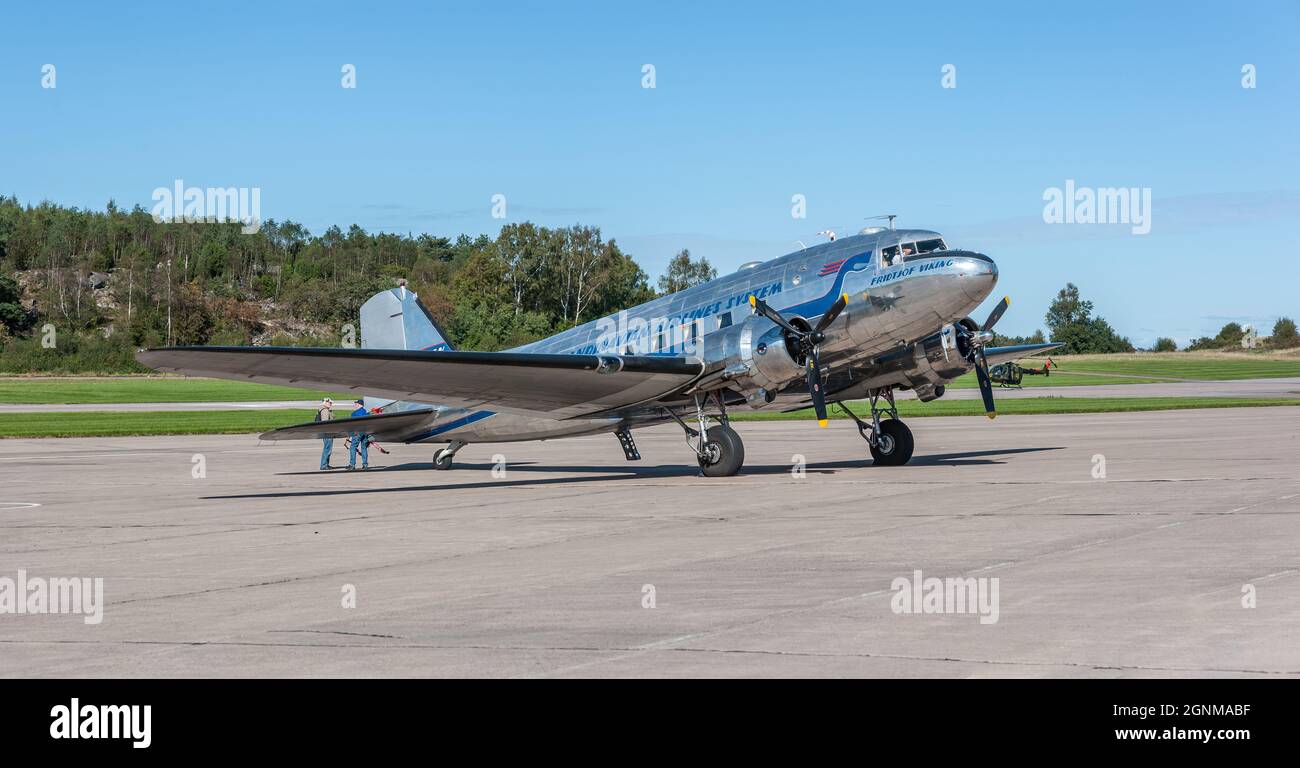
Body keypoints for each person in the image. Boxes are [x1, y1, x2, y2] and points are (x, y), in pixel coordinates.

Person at [347, 398, 370, 470]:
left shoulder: (354, 413)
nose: (355, 405)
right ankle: (365, 464)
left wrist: (349, 435)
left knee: (353, 447)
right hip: (365, 432)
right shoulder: (367, 412)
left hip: (357, 432)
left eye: (356, 404)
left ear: (359, 404)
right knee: (364, 448)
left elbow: (352, 425)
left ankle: (352, 464)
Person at [315, 398, 334, 470]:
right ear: (325, 403)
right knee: (327, 448)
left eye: (331, 402)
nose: (330, 404)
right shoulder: (325, 411)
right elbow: (325, 422)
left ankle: (326, 464)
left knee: (328, 448)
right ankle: (324, 465)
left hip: (326, 432)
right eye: (329, 402)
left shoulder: (323, 410)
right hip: (327, 432)